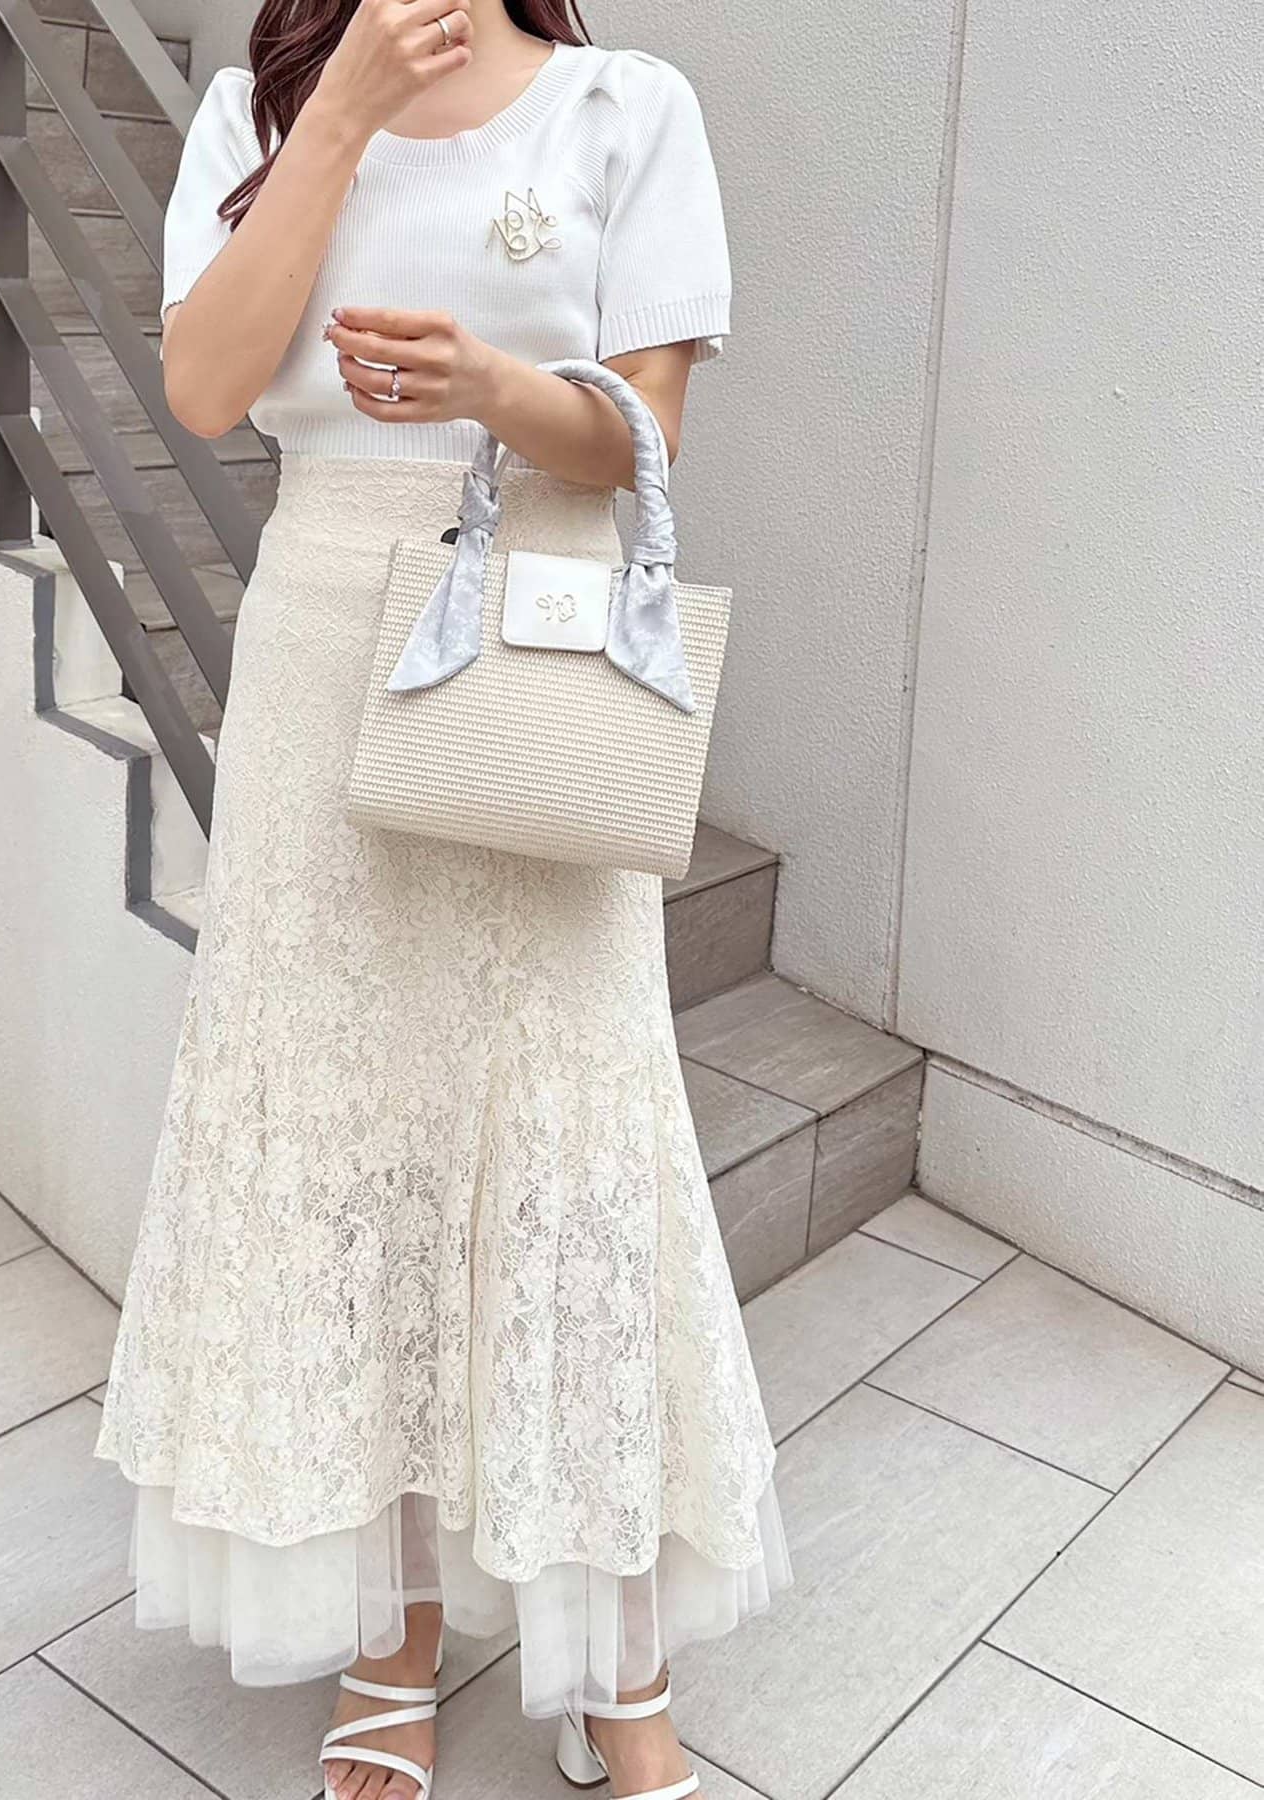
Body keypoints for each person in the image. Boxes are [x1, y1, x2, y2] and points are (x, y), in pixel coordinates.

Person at [95, 4, 793, 1797]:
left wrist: (490, 388)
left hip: (536, 635)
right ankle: (390, 1637)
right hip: (323, 649)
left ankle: (615, 1656)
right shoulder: (256, 107)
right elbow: (205, 388)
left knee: (578, 1137)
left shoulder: (626, 108)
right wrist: (334, 112)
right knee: (349, 1136)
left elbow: (645, 442)